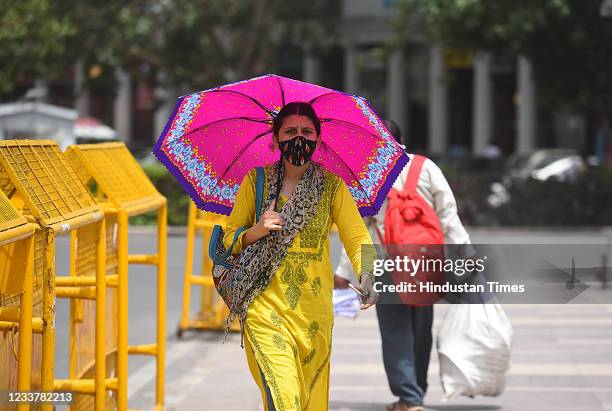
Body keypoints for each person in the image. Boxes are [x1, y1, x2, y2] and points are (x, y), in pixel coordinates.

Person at [223, 102, 378, 410]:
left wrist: (368, 273)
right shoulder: (256, 183)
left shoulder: (333, 187)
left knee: (309, 401)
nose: (299, 138)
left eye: (307, 132)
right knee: (286, 398)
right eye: (290, 131)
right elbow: (229, 239)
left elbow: (358, 235)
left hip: (314, 315)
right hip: (264, 307)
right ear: (276, 139)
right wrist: (257, 230)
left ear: (318, 140)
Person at [335, 120, 472, 411]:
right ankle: (416, 392)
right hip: (427, 261)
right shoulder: (426, 167)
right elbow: (448, 216)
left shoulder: (369, 176)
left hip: (388, 264)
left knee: (396, 330)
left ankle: (409, 398)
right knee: (421, 330)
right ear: (403, 139)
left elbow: (363, 232)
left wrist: (352, 273)